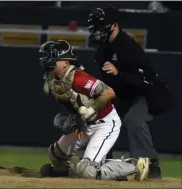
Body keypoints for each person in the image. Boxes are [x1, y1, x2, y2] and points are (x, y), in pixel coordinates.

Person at [38, 39, 150, 181]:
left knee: (88, 171)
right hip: (85, 124)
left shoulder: (78, 78)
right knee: (55, 154)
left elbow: (109, 92)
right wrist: (75, 119)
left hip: (105, 124)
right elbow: (75, 104)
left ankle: (135, 165)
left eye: (53, 57)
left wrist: (90, 110)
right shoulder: (53, 81)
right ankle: (72, 170)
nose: (48, 60)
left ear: (66, 63)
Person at [87, 5, 171, 179]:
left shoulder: (127, 46)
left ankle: (151, 165)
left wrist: (119, 73)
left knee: (134, 120)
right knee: (102, 117)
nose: (97, 31)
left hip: (149, 93)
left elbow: (145, 78)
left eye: (101, 26)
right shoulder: (103, 49)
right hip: (124, 94)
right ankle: (100, 160)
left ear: (114, 26)